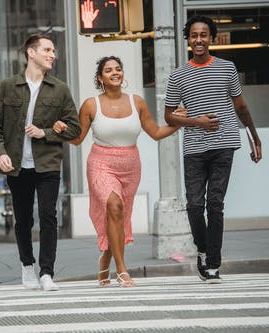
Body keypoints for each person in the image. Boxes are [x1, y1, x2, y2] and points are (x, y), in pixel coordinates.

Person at [54, 56, 183, 287]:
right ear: (100, 78)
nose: (115, 72)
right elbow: (77, 139)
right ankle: (122, 270)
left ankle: (105, 258)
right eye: (109, 70)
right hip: (101, 163)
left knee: (119, 216)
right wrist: (62, 130)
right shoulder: (91, 105)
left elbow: (155, 132)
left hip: (131, 165)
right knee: (115, 206)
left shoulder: (137, 102)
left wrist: (179, 123)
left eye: (118, 69)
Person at [164, 15, 262, 284]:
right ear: (188, 39)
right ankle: (203, 249)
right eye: (194, 35)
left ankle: (214, 264)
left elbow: (240, 106)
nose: (199, 40)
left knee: (215, 204)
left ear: (211, 38)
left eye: (203, 35)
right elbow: (169, 117)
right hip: (194, 146)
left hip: (224, 143)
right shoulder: (178, 75)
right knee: (195, 205)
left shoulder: (227, 68)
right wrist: (197, 121)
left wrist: (254, 136)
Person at [0, 34, 81, 291]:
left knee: (49, 216)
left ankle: (47, 272)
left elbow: (75, 129)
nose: (53, 55)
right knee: (24, 220)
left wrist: (46, 133)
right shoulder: (8, 86)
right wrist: (0, 153)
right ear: (31, 52)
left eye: (54, 51)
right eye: (48, 50)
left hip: (48, 163)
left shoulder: (60, 89)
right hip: (17, 165)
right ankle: (27, 265)